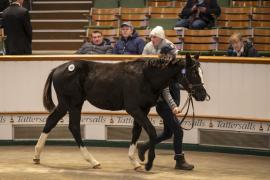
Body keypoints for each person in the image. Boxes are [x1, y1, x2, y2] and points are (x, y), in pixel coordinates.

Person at [139, 26, 194, 170]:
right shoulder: (159, 69)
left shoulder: (169, 52)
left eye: (155, 37)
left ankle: (144, 146)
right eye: (151, 37)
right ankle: (179, 160)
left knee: (168, 133)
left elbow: (180, 69)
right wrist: (173, 106)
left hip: (171, 96)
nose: (152, 39)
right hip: (164, 104)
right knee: (178, 131)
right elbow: (165, 90)